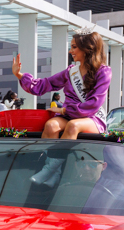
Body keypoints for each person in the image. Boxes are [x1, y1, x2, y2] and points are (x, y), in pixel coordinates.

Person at [13, 26, 111, 186]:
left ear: (87, 49)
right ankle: (54, 174)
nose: (70, 50)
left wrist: (64, 110)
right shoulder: (70, 72)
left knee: (73, 126)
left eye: (74, 47)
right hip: (71, 116)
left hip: (92, 118)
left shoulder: (104, 72)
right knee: (51, 125)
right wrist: (20, 75)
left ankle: (49, 170)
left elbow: (93, 104)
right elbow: (46, 84)